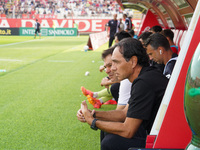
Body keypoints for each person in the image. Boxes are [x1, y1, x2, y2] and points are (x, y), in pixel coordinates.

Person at [77, 38, 169, 150]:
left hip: (164, 141)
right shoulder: (144, 77)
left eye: (116, 62)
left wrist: (93, 122)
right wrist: (93, 114)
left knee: (111, 142)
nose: (113, 68)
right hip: (158, 133)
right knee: (107, 132)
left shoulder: (144, 82)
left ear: (133, 61)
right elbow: (124, 113)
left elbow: (128, 130)